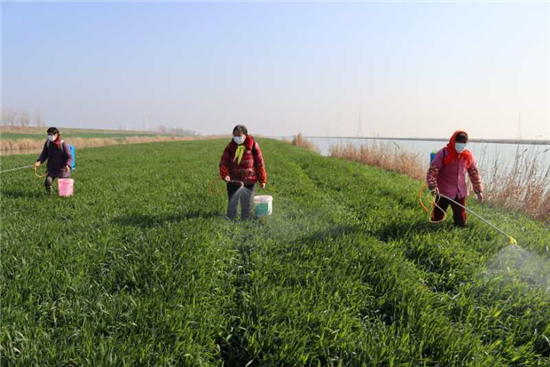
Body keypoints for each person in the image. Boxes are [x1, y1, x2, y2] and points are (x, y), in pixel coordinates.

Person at [426, 130, 483, 227]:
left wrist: (478, 190)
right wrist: (433, 186)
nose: (461, 145)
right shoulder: (443, 153)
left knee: (460, 219)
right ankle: (433, 231)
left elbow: (474, 174)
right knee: (437, 217)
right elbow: (433, 171)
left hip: (460, 193)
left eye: (464, 142)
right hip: (443, 192)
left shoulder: (467, 156)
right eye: (459, 142)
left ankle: (459, 231)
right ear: (453, 141)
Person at [219, 125, 267, 220]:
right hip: (233, 181)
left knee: (247, 207)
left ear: (245, 135)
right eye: (235, 135)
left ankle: (245, 223)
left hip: (249, 182)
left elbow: (260, 163)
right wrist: (225, 175)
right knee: (232, 205)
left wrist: (262, 180)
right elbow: (223, 163)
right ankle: (230, 222)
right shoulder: (230, 147)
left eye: (239, 135)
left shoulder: (253, 145)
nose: (237, 138)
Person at [34, 127, 73, 196]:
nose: (50, 136)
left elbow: (69, 157)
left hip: (63, 169)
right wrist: (39, 161)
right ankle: (49, 196)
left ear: (57, 134)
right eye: (48, 134)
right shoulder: (48, 143)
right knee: (48, 181)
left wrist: (68, 165)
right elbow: (44, 154)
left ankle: (64, 197)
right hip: (51, 169)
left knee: (63, 186)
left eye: (51, 134)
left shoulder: (63, 144)